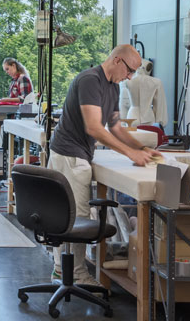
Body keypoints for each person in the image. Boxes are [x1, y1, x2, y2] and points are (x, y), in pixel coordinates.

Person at [48, 44, 160, 284]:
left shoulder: (113, 88)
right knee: (74, 217)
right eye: (129, 70)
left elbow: (115, 127)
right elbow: (94, 128)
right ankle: (73, 274)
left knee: (70, 214)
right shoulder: (90, 80)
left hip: (77, 154)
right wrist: (131, 154)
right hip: (69, 156)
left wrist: (140, 148)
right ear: (117, 60)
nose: (129, 77)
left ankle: (61, 268)